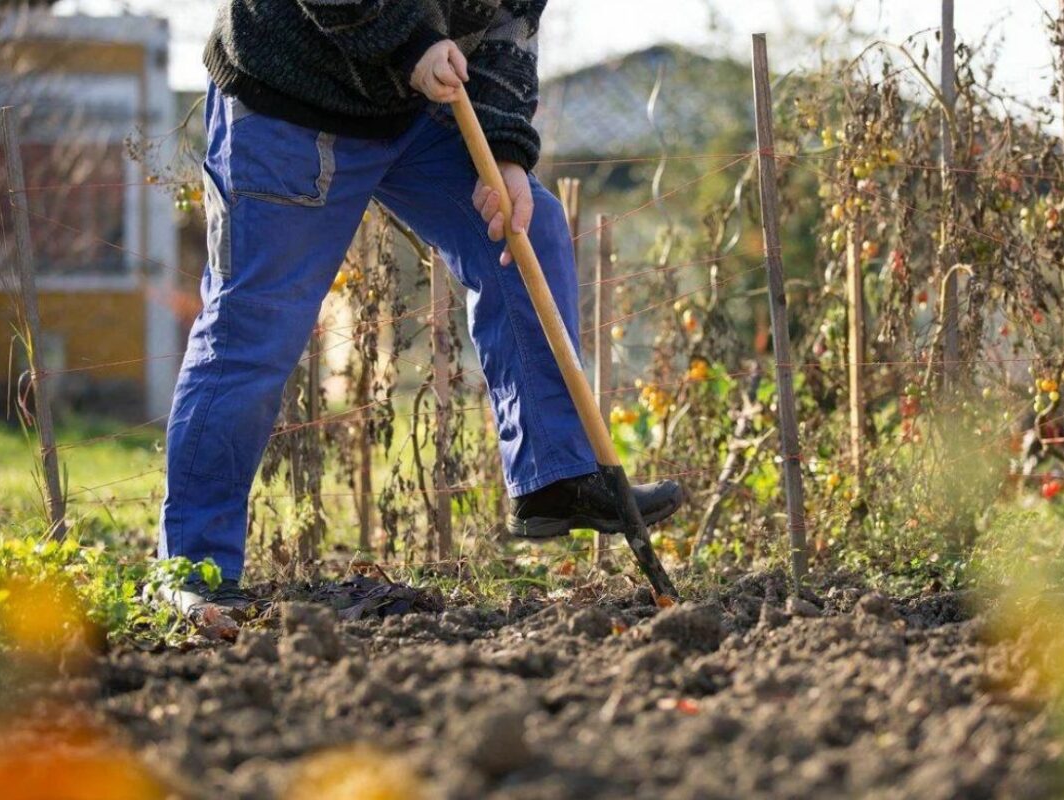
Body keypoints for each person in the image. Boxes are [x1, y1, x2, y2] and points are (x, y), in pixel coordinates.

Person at [156, 0, 683, 618]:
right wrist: (409, 43)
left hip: (410, 110)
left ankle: (554, 475)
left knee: (522, 230)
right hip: (291, 97)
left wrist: (507, 151)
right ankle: (194, 573)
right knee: (253, 328)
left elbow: (511, 27)